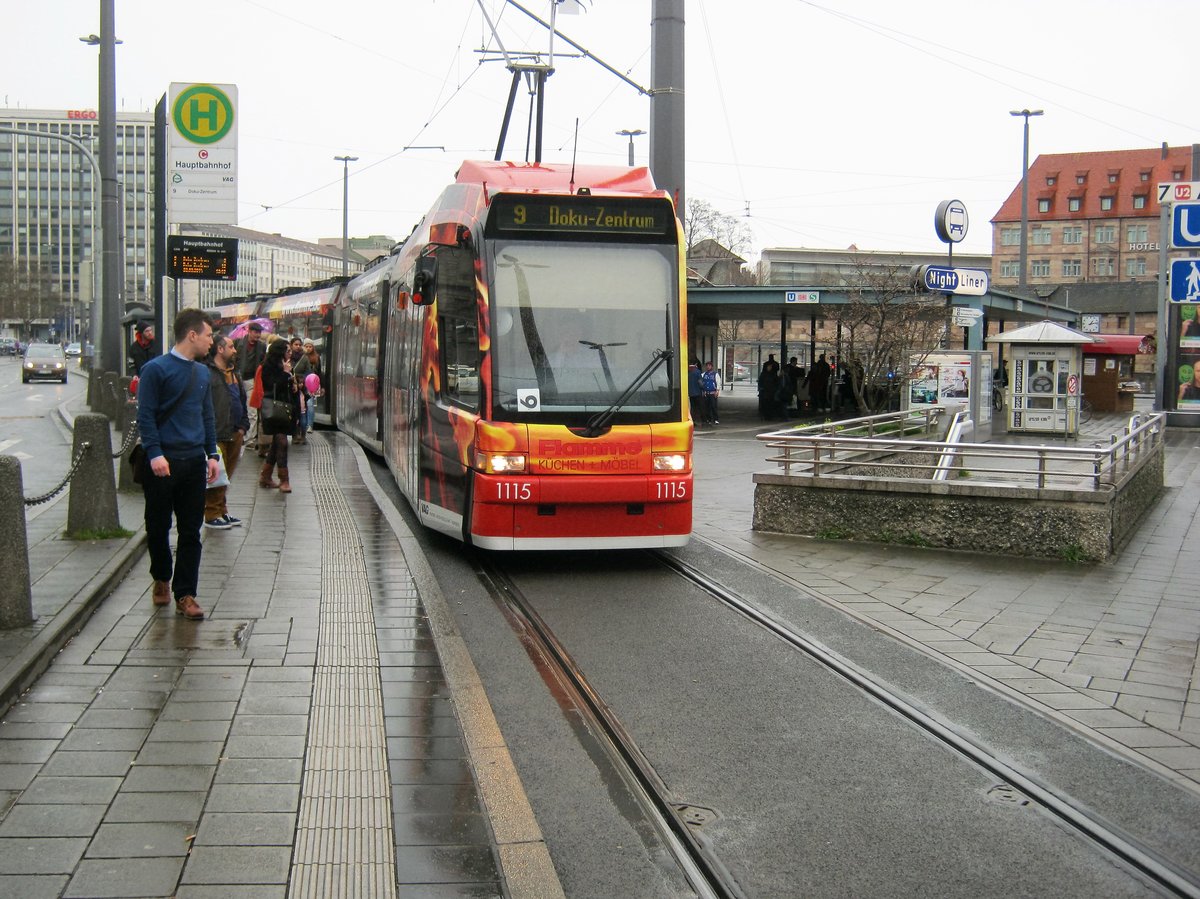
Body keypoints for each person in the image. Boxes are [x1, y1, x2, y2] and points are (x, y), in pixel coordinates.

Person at [135, 308, 218, 621]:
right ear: (192, 335)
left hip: (193, 462)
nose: (212, 341)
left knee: (191, 531)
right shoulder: (156, 370)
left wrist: (212, 454)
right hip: (162, 462)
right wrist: (154, 452)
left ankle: (186, 593)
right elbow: (146, 415)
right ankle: (161, 576)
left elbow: (206, 416)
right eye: (209, 335)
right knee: (157, 527)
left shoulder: (202, 373)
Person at [203, 333, 249, 529]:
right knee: (216, 475)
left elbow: (241, 399)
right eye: (231, 346)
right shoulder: (207, 373)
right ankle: (211, 513)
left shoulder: (234, 374)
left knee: (226, 475)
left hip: (235, 430)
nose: (235, 350)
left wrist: (243, 425)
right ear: (220, 349)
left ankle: (222, 510)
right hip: (217, 431)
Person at [259, 338, 297, 493]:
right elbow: (271, 385)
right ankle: (284, 479)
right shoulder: (268, 366)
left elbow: (287, 385)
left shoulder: (285, 365)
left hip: (285, 408)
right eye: (287, 350)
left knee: (276, 443)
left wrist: (294, 383)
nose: (290, 353)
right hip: (274, 409)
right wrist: (285, 374)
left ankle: (266, 476)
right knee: (282, 441)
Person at [237, 322, 268, 455]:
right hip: (238, 378)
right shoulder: (238, 343)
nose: (258, 335)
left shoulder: (262, 346)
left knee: (252, 409)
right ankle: (240, 434)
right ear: (249, 332)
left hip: (252, 379)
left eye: (259, 332)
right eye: (255, 332)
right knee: (239, 406)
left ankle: (249, 438)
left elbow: (263, 362)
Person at [293, 339, 323, 436]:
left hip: (311, 383)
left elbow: (319, 372)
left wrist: (320, 385)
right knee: (302, 406)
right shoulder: (299, 357)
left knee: (310, 404)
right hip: (299, 384)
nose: (308, 348)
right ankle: (301, 428)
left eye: (310, 346)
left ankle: (309, 425)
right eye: (307, 346)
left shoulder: (316, 357)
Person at [757, 355, 780, 420]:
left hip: (766, 391)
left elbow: (760, 382)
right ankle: (770, 416)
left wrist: (760, 389)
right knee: (770, 404)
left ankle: (767, 415)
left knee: (766, 404)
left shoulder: (764, 373)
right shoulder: (775, 370)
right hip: (771, 391)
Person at [687, 359, 704, 425]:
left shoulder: (688, 372)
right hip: (697, 392)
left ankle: (693, 421)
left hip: (690, 393)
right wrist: (703, 388)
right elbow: (700, 382)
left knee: (693, 407)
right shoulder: (697, 372)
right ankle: (704, 420)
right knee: (700, 407)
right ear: (696, 364)